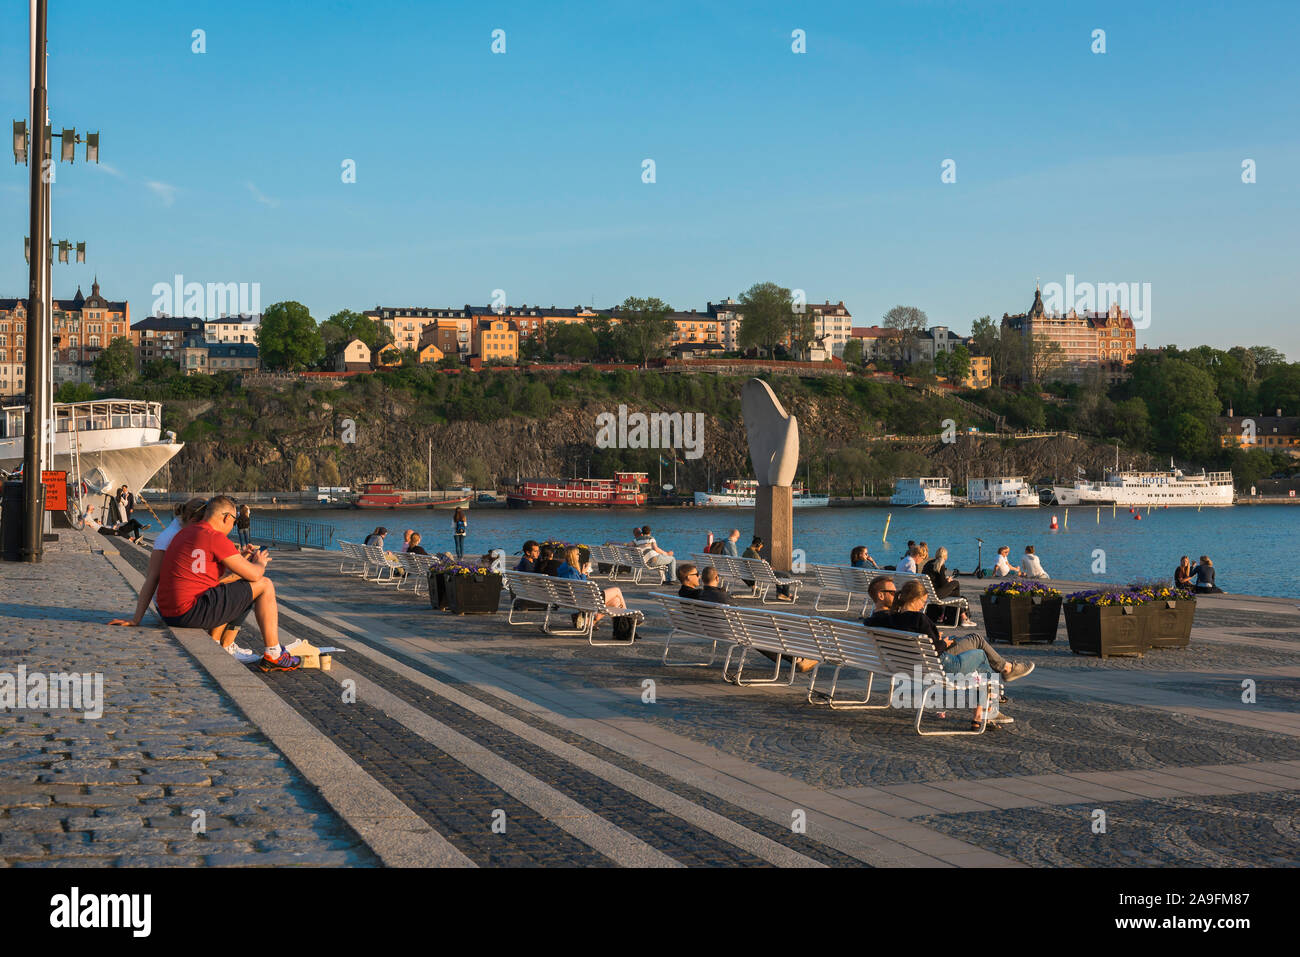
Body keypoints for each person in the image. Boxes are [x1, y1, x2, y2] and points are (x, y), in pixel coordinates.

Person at [151, 495, 300, 672]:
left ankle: (220, 642)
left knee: (239, 583)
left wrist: (241, 561)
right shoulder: (214, 536)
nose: (233, 526)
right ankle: (274, 654)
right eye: (235, 521)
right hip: (188, 612)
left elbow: (212, 580)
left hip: (169, 612)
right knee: (265, 584)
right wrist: (259, 562)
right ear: (226, 517)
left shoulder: (184, 533)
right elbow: (255, 574)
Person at [887, 581, 1027, 728]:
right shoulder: (919, 619)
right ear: (914, 599)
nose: (923, 606)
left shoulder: (890, 619)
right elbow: (935, 649)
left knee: (970, 641)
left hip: (911, 665)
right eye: (922, 601)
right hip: (942, 666)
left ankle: (982, 713)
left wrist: (939, 639)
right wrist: (944, 643)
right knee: (980, 654)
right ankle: (990, 705)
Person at [555, 546, 628, 625]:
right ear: (573, 556)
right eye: (577, 554)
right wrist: (583, 574)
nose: (579, 556)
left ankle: (589, 622)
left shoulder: (564, 568)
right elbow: (581, 588)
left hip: (575, 599)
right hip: (584, 600)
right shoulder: (571, 572)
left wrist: (582, 574)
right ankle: (628, 617)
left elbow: (577, 587)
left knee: (615, 602)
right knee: (617, 590)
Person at [923, 546, 973, 626]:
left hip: (929, 593)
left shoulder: (928, 563)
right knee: (956, 583)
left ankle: (962, 616)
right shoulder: (940, 564)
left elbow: (936, 580)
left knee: (956, 593)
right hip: (936, 594)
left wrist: (945, 580)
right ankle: (963, 617)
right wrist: (948, 580)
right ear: (945, 556)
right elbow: (943, 584)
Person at [743, 536, 793, 601]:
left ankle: (781, 594)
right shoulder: (754, 554)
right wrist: (768, 567)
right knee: (787, 575)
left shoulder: (745, 552)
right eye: (760, 547)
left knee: (780, 575)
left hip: (752, 573)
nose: (760, 549)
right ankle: (785, 594)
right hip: (762, 574)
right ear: (757, 544)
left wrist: (762, 563)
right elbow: (760, 567)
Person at [82, 506, 148, 544]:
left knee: (134, 524)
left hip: (118, 526)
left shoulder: (103, 525)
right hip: (119, 528)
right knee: (133, 521)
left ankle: (137, 538)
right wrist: (89, 523)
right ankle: (139, 531)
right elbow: (82, 521)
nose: (100, 522)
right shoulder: (101, 526)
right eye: (99, 521)